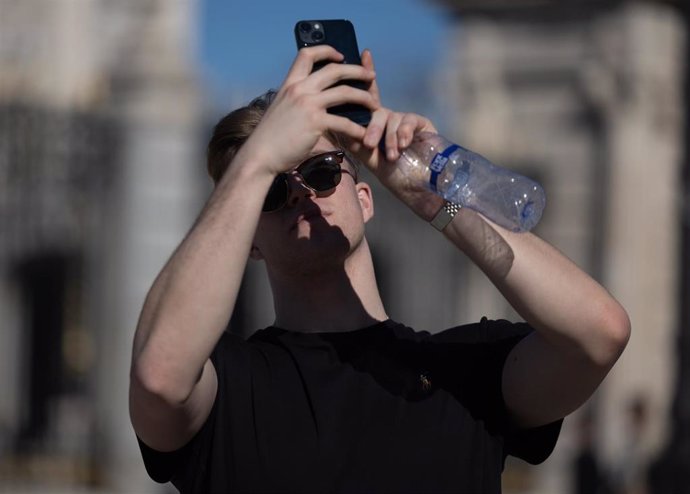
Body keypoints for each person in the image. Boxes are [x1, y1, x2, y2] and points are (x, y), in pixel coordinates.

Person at [129, 46, 630, 493]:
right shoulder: (228, 385)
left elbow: (598, 333)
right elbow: (159, 375)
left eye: (323, 172)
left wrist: (437, 198)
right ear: (249, 241)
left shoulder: (465, 370)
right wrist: (256, 161)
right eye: (273, 193)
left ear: (365, 199)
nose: (302, 194)